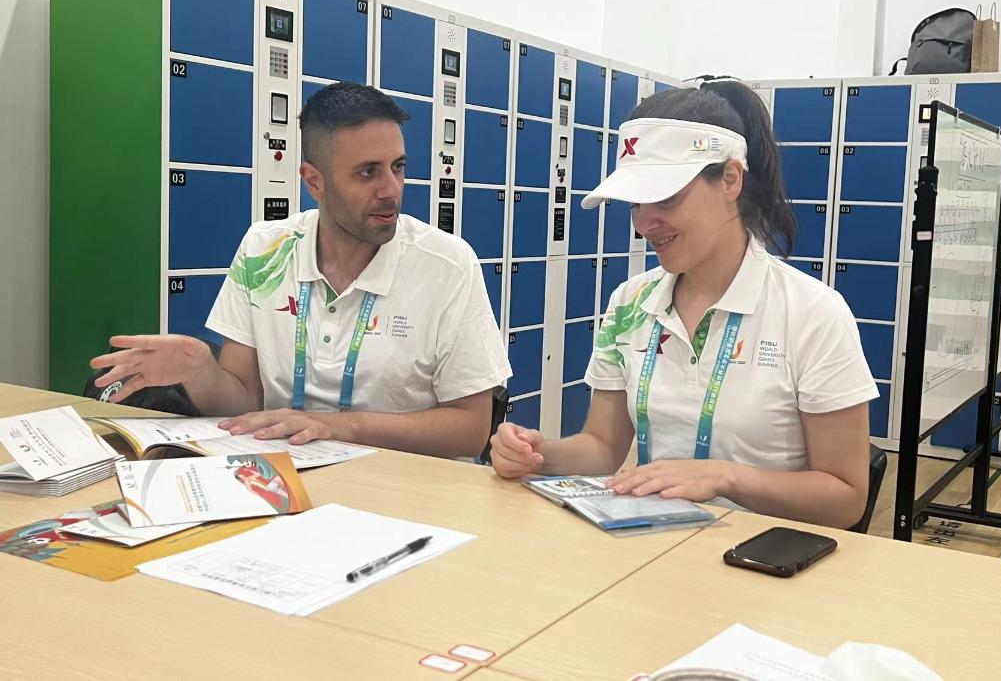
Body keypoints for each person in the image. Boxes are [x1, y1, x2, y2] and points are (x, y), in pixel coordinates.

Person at [489, 79, 877, 528]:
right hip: (650, 544)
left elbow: (845, 499)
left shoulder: (812, 313)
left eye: (665, 198)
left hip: (763, 555)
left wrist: (726, 477)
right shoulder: (629, 303)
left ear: (730, 179)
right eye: (635, 204)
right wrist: (537, 453)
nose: (644, 223)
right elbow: (603, 447)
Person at [91, 82, 511, 459]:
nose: (391, 189)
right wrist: (202, 373)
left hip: (407, 492)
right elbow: (244, 401)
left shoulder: (448, 265)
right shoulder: (264, 249)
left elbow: (470, 429)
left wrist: (335, 427)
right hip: (284, 480)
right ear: (314, 182)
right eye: (368, 172)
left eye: (397, 167)